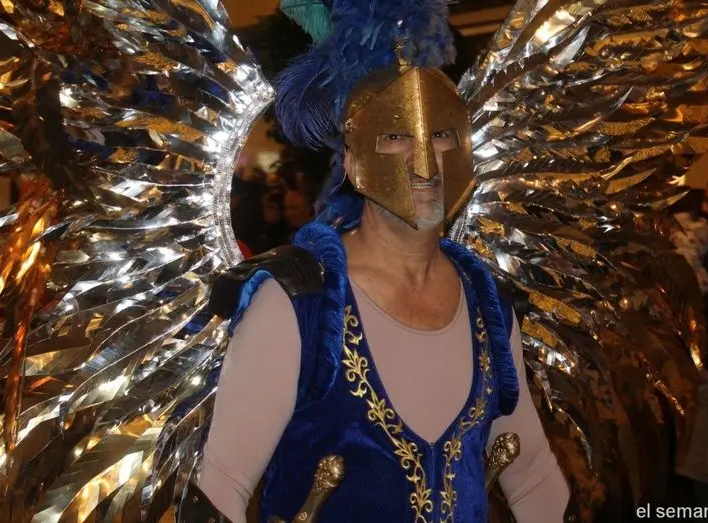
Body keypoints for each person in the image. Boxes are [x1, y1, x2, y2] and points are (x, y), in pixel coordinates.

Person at [190, 1, 570, 521]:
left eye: (441, 135)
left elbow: (534, 477)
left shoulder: (487, 304)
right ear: (352, 162)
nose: (424, 163)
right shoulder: (299, 303)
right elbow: (221, 488)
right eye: (394, 138)